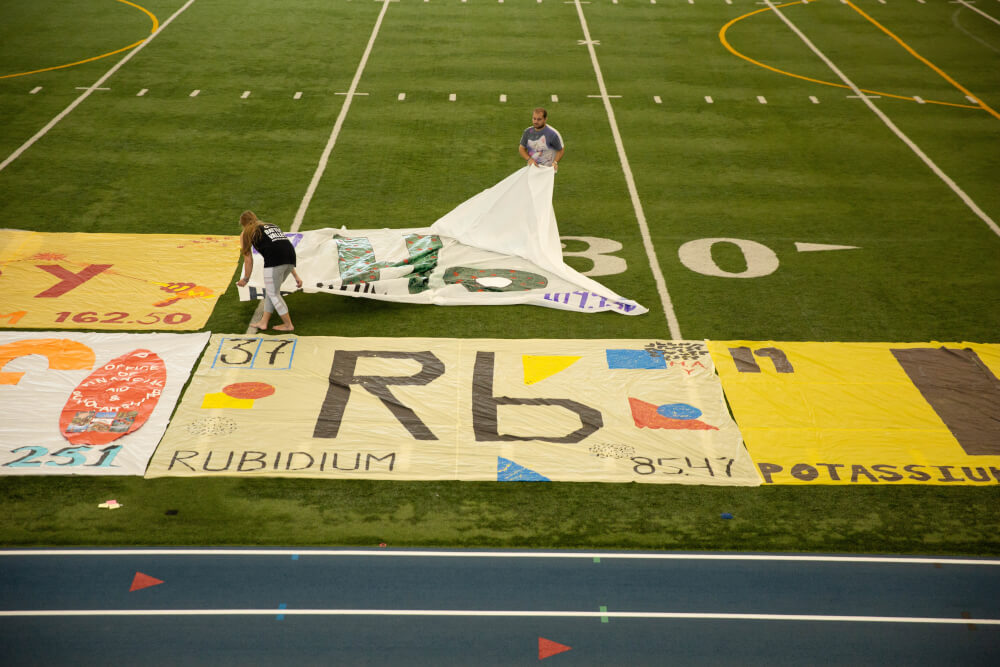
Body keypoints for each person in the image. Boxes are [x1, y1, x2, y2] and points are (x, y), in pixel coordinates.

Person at [236, 210, 303, 331]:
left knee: (273, 293)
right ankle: (263, 322)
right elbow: (282, 248)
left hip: (274, 261)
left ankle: (288, 325)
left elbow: (248, 259)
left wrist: (246, 279)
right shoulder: (272, 226)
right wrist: (296, 275)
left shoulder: (246, 233)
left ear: (243, 224)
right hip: (291, 257)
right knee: (272, 290)